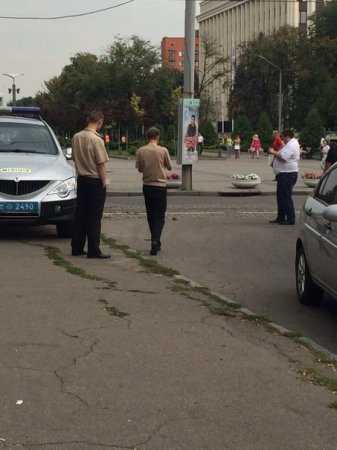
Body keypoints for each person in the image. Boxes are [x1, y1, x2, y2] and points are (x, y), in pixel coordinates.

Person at [71, 109, 111, 259]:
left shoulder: (76, 137)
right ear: (99, 122)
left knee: (80, 214)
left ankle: (77, 247)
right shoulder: (97, 140)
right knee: (94, 217)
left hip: (81, 179)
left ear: (88, 119)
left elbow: (74, 158)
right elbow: (101, 164)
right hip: (94, 181)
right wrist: (104, 182)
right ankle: (94, 249)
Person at [136, 127, 172, 255]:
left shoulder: (140, 151)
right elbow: (169, 166)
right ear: (157, 137)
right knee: (160, 216)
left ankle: (155, 239)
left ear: (147, 137)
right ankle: (155, 240)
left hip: (147, 186)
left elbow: (139, 169)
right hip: (160, 186)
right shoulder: (163, 150)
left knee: (150, 214)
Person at [269, 129, 300, 225]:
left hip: (288, 174)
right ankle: (281, 217)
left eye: (282, 137)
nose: (281, 139)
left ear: (287, 136)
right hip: (283, 173)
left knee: (286, 196)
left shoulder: (292, 144)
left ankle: (290, 218)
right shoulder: (288, 144)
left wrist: (273, 152)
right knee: (280, 196)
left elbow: (283, 157)